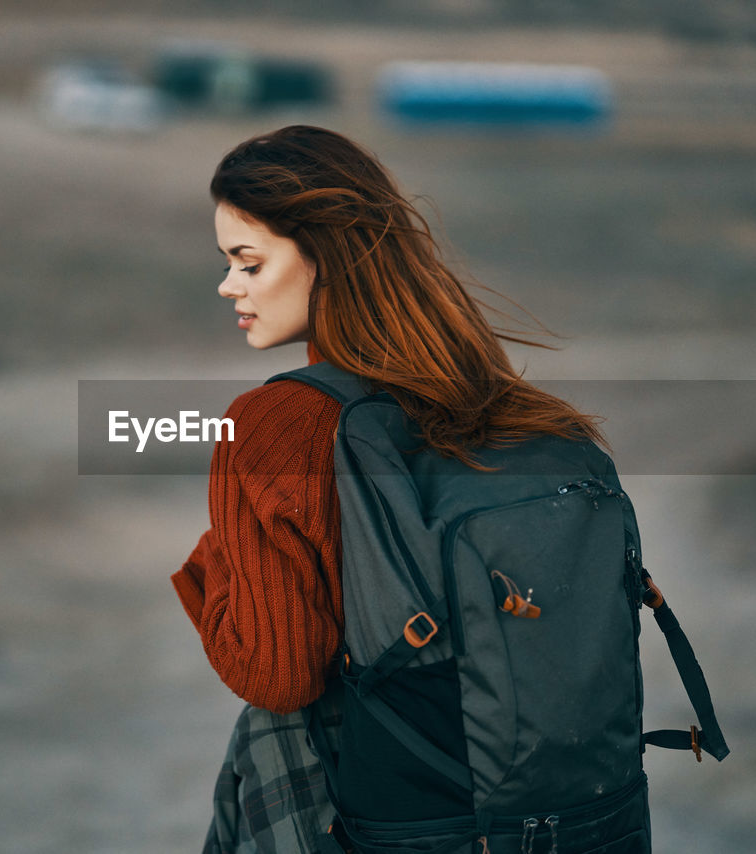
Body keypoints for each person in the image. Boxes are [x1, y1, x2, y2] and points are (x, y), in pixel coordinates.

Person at [172, 125, 605, 853]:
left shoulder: (276, 422)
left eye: (248, 263)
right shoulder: (501, 402)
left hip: (391, 814)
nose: (229, 285)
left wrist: (213, 565)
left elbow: (276, 676)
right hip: (561, 813)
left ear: (325, 258)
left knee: (269, 732)